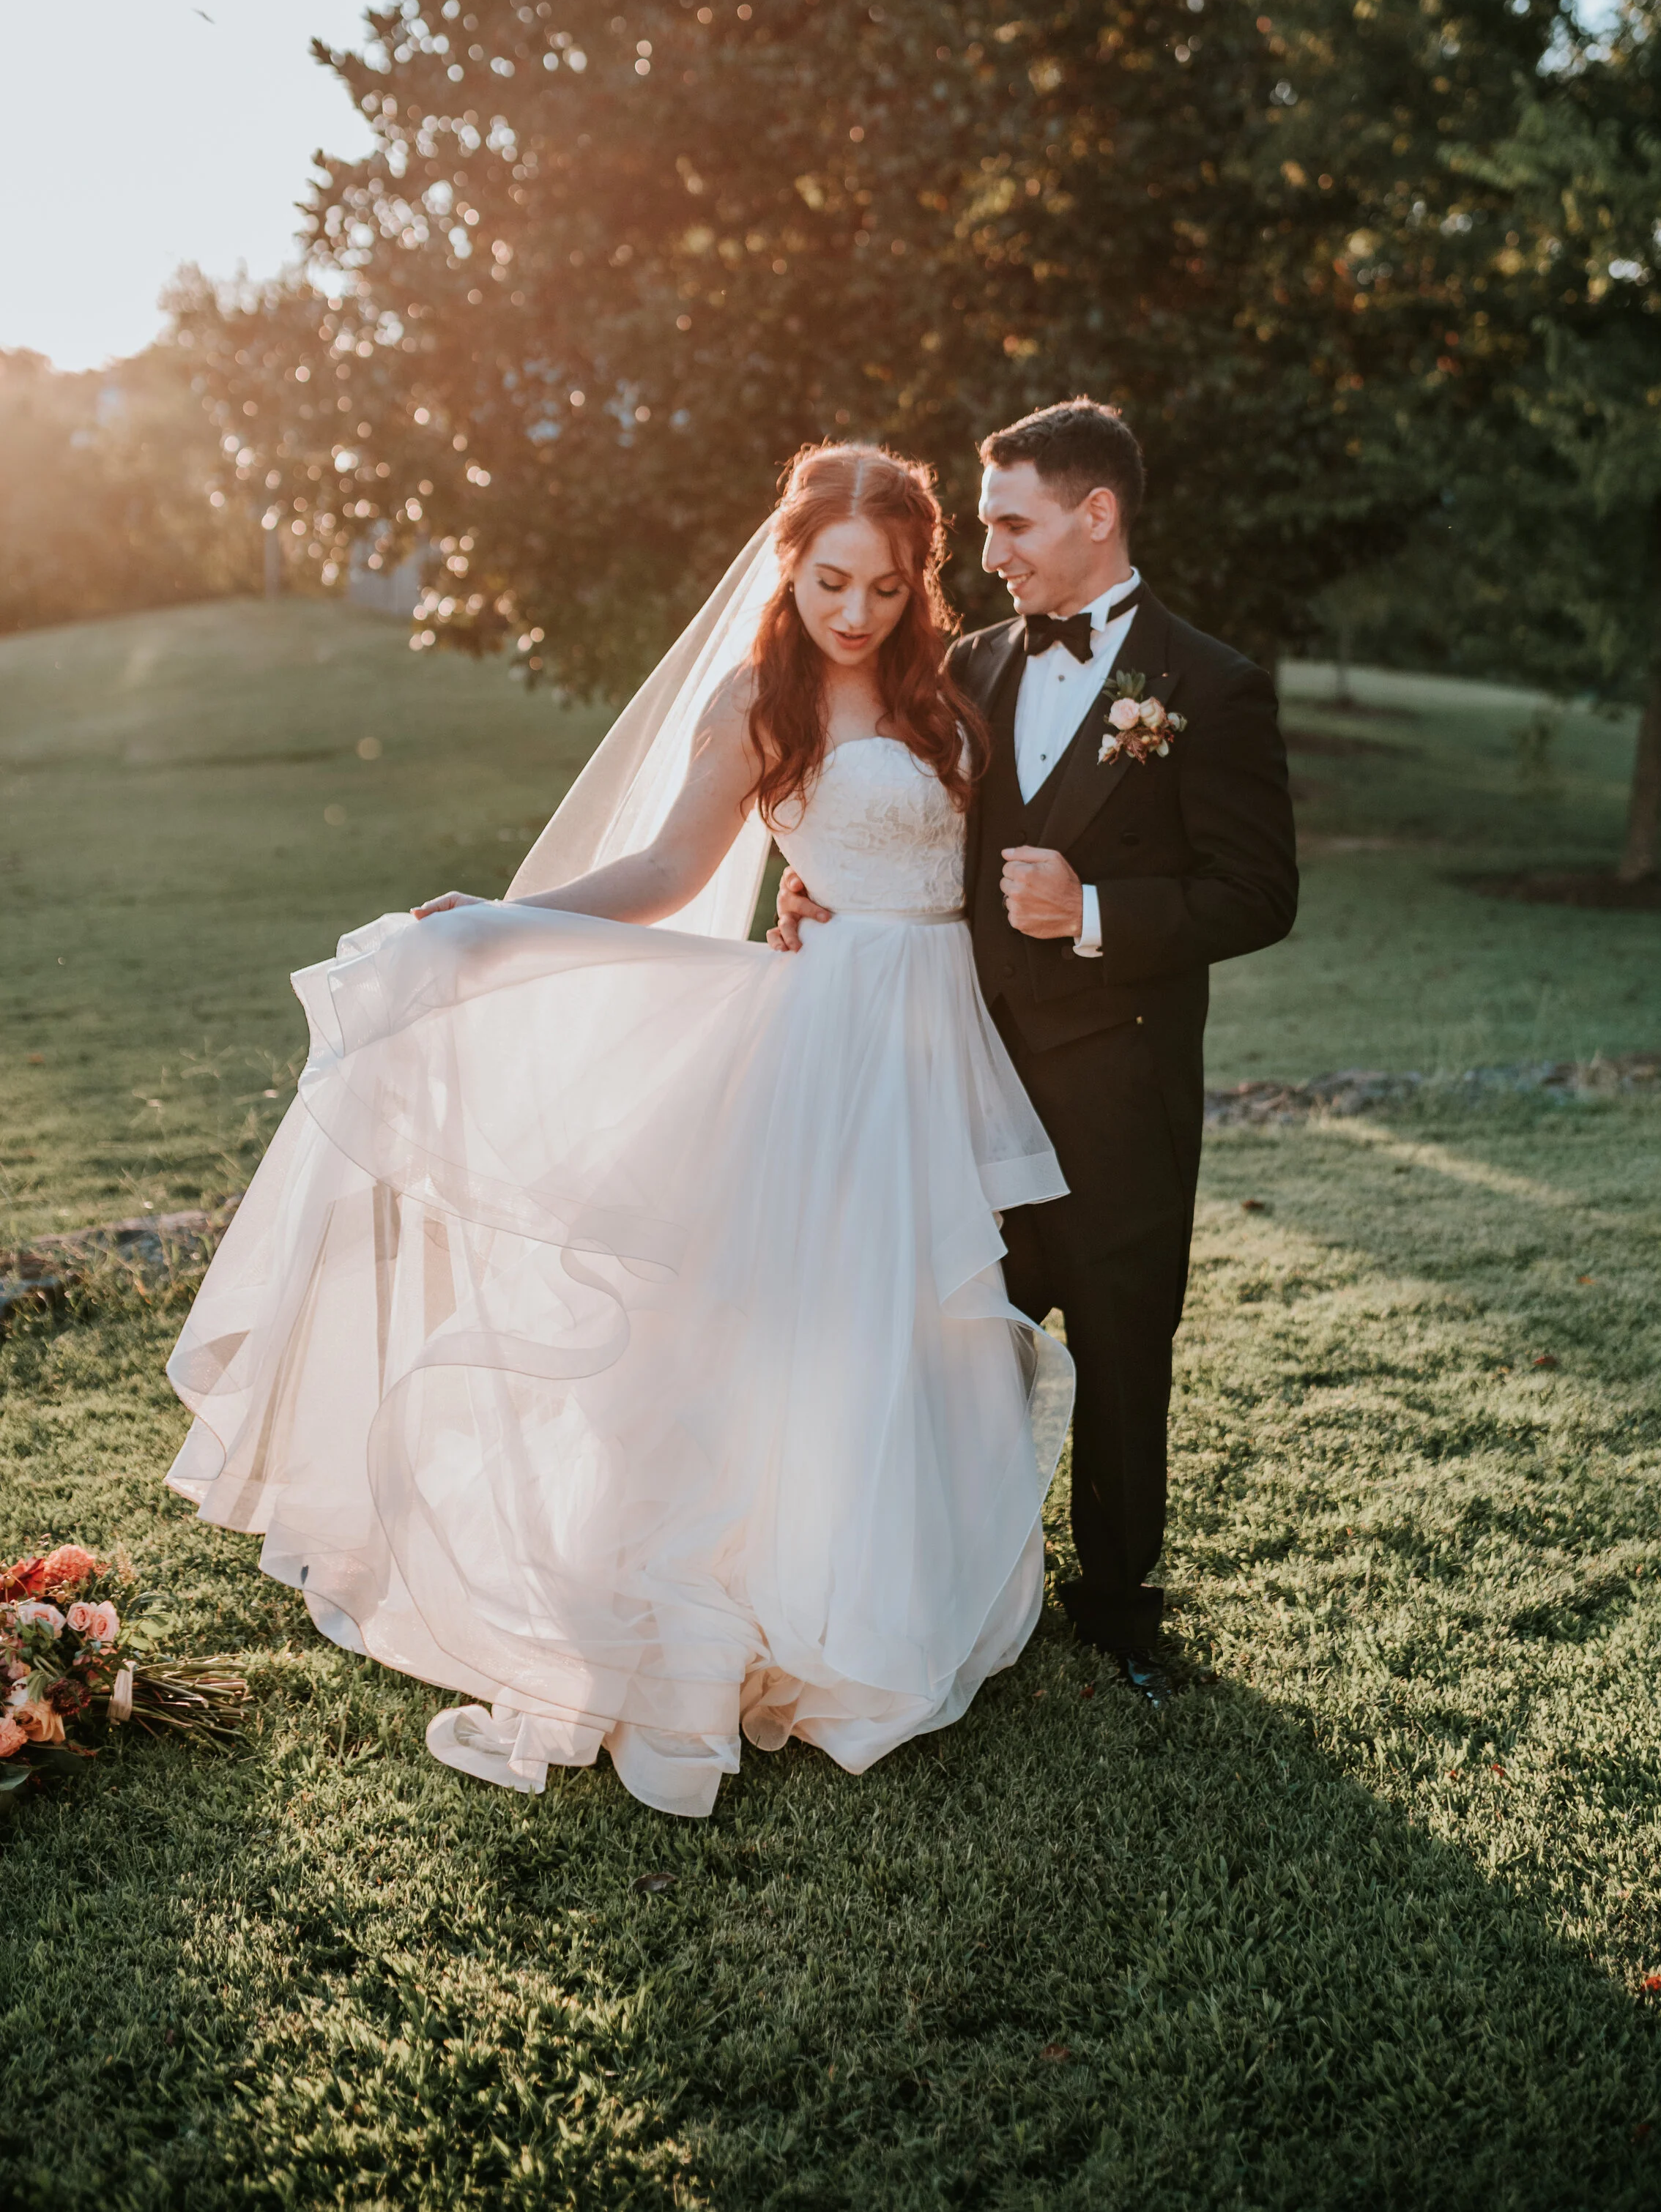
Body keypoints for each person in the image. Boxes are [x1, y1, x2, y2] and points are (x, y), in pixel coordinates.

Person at [164, 445, 1073, 1818]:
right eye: (832, 581)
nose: (855, 612)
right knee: (797, 1320)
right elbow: (669, 871)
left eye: (885, 587)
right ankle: (751, 1611)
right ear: (790, 563)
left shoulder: (947, 687)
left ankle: (887, 1582)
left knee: (908, 1316)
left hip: (938, 1027)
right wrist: (498, 927)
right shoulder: (758, 702)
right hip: (830, 1046)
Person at [776, 401, 1297, 1703]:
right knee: (960, 1334)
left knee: (1126, 1343)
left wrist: (1101, 915)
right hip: (955, 1078)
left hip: (1120, 1084)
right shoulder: (965, 672)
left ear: (1094, 513)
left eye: (1010, 520)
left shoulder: (1212, 685)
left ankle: (1119, 1606)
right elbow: (905, 831)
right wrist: (810, 892)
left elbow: (1260, 893)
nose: (990, 549)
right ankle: (960, 1580)